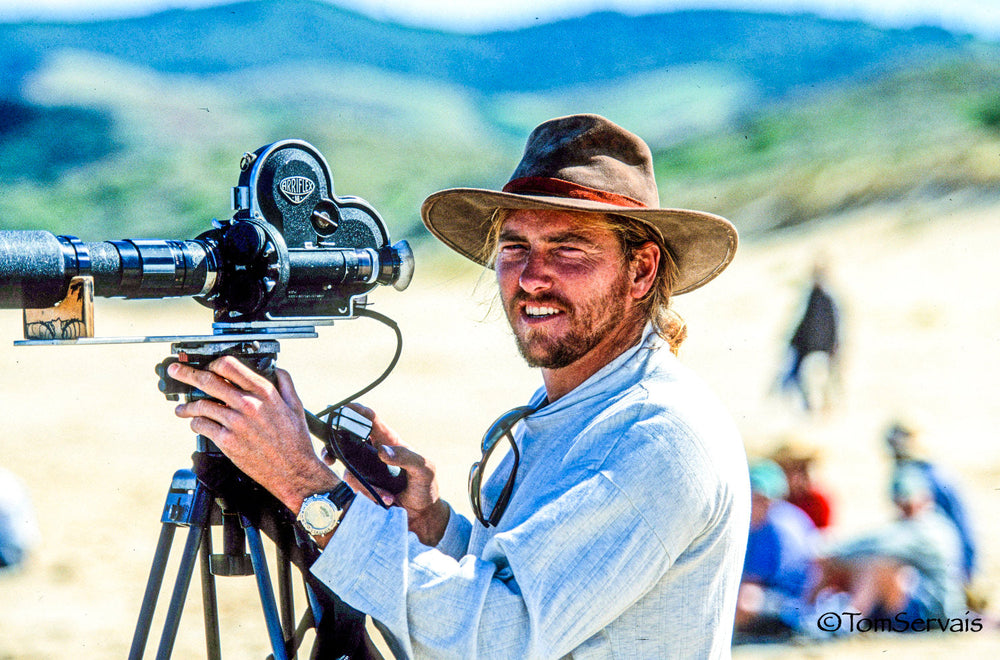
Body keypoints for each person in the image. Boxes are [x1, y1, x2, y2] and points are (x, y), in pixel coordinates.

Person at [167, 114, 749, 658]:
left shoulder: (657, 436)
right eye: (514, 248)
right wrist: (432, 527)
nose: (531, 277)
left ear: (641, 270)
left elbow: (501, 636)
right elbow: (523, 586)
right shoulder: (578, 407)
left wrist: (304, 485)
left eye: (569, 248)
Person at [807, 465, 965, 628]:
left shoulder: (928, 527)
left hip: (935, 610)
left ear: (925, 497)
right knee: (857, 564)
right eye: (900, 500)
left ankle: (846, 621)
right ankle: (809, 612)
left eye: (909, 499)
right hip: (919, 603)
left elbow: (880, 544)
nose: (904, 505)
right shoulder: (912, 525)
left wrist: (831, 550)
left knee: (879, 567)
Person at [884, 420, 977, 584]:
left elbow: (961, 526)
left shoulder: (927, 478)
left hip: (944, 565)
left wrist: (966, 571)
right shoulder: (917, 473)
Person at [736, 459, 819, 642]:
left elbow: (753, 581)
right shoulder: (791, 515)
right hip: (801, 600)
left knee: (742, 600)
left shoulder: (770, 526)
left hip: (788, 604)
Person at [779, 262, 840, 412]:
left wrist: (832, 347)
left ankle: (823, 408)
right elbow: (803, 324)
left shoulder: (824, 300)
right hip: (807, 348)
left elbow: (830, 326)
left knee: (822, 382)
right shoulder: (811, 298)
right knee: (801, 380)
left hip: (818, 349)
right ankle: (812, 408)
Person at [770, 437, 833, 530]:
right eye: (790, 471)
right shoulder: (773, 502)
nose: (797, 477)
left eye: (802, 470)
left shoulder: (817, 502)